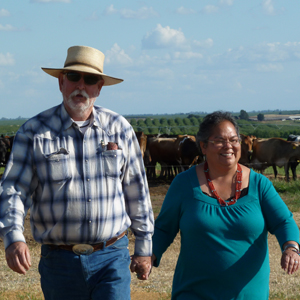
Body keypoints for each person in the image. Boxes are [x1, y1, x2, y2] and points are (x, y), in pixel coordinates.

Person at [0, 45, 154, 300]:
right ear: (61, 82)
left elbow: (137, 191)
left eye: (90, 79)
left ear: (99, 87)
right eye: (74, 77)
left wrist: (144, 247)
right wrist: (14, 237)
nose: (81, 85)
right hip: (59, 261)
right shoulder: (34, 132)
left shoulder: (120, 129)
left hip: (112, 257)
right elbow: (14, 190)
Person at [151, 111, 300, 300]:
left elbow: (283, 221)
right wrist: (149, 255)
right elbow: (164, 228)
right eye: (219, 140)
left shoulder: (259, 184)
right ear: (203, 146)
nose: (228, 146)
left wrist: (291, 247)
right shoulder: (183, 184)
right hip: (194, 293)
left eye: (234, 139)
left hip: (249, 295)